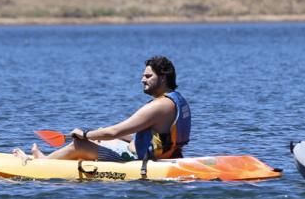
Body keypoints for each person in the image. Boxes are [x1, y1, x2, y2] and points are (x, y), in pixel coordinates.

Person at [17, 55, 191, 163]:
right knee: (101, 137)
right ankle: (61, 157)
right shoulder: (176, 100)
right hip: (165, 155)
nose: (142, 80)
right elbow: (158, 135)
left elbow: (115, 131)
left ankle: (42, 163)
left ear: (162, 78)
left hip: (135, 159)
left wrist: (85, 134)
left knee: (79, 145)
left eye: (148, 76)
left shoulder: (158, 106)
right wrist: (98, 133)